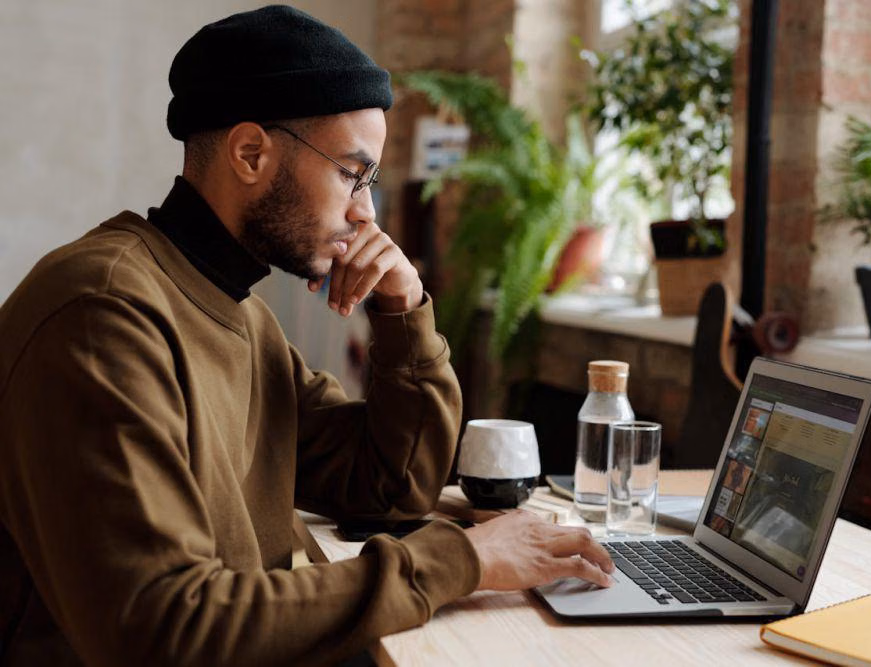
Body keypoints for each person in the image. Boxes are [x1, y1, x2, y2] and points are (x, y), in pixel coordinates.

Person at [0, 6, 613, 666]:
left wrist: (404, 311)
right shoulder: (103, 313)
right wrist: (460, 560)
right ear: (250, 153)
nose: (367, 212)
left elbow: (388, 483)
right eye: (353, 174)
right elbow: (163, 628)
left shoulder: (241, 317)